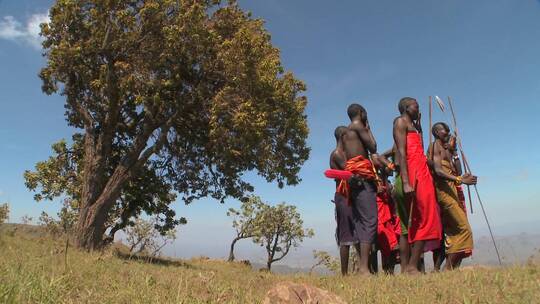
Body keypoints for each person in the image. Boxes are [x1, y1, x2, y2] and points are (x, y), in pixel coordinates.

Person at [393, 97, 442, 274]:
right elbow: (401, 151)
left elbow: (419, 149)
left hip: (422, 171)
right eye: (416, 105)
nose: (418, 108)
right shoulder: (400, 122)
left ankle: (410, 267)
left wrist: (419, 127)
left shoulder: (414, 127)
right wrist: (406, 182)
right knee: (424, 218)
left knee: (424, 217)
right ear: (406, 108)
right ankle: (412, 265)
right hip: (413, 173)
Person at [338, 103, 378, 275]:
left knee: (361, 222)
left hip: (353, 179)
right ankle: (363, 268)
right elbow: (373, 147)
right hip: (362, 179)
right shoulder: (358, 126)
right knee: (370, 220)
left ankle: (363, 267)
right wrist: (368, 128)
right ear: (361, 112)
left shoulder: (346, 132)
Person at [431, 122, 476, 270]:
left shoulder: (446, 150)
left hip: (453, 192)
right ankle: (448, 268)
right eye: (446, 131)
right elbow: (438, 170)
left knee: (455, 231)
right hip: (444, 194)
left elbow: (457, 171)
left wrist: (455, 152)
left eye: (449, 131)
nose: (448, 133)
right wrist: (459, 180)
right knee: (464, 229)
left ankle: (451, 270)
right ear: (437, 132)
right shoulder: (434, 147)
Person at [330, 126, 360, 275]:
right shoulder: (337, 154)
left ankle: (364, 268)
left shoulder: (345, 153)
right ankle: (344, 274)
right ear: (343, 136)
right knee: (346, 234)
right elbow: (350, 171)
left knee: (358, 232)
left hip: (351, 195)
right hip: (343, 196)